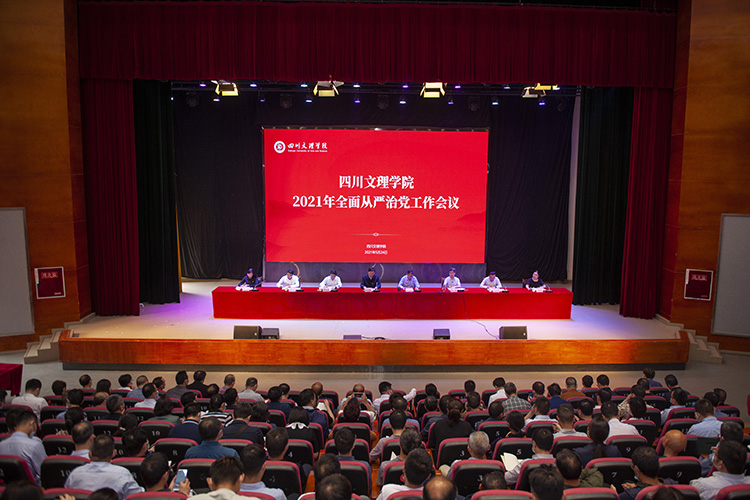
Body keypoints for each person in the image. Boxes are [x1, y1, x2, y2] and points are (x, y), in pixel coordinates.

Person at [64, 434, 144, 499]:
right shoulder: (122, 474)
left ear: (89, 454)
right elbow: (137, 496)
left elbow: (66, 495)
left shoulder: (75, 474)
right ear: (113, 454)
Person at [0, 408, 46, 483]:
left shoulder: (1, 445)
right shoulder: (35, 445)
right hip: (32, 487)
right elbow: (44, 472)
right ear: (32, 424)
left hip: (8, 487)